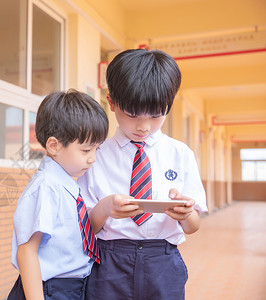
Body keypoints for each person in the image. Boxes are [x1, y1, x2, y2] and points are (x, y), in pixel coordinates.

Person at [77, 48, 208, 300]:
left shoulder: (180, 154)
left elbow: (193, 226)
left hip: (163, 262)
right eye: (133, 114)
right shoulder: (95, 154)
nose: (143, 126)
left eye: (156, 115)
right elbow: (85, 228)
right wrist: (105, 208)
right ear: (112, 102)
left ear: (168, 107)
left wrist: (185, 213)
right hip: (108, 263)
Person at [8, 89, 109, 300]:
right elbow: (27, 251)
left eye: (96, 150)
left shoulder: (67, 184)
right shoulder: (46, 186)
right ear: (54, 146)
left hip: (72, 287)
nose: (93, 159)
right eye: (86, 150)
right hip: (52, 289)